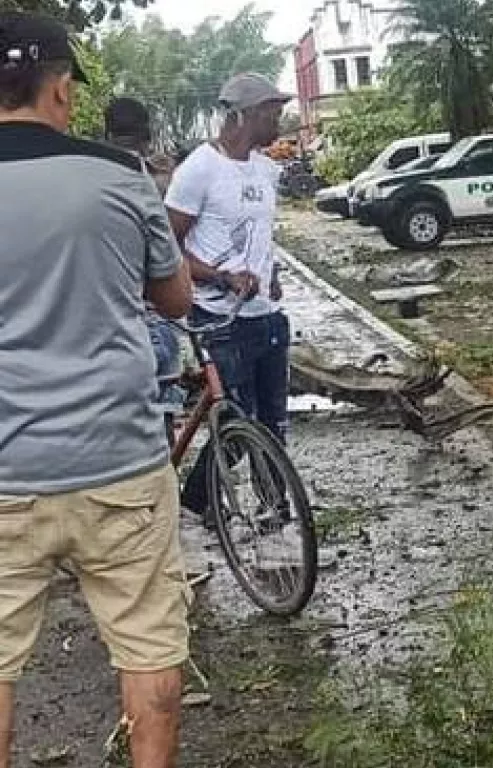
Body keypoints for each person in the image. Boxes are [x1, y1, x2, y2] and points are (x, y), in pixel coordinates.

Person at [0, 12, 193, 768]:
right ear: (59, 88)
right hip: (120, 465)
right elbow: (174, 299)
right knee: (149, 650)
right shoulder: (121, 175)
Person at [165, 73, 293, 520]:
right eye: (270, 112)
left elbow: (262, 235)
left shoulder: (266, 168)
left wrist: (269, 272)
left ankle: (275, 508)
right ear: (240, 115)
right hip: (219, 318)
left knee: (274, 422)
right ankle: (198, 501)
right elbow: (167, 248)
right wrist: (219, 276)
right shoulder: (198, 170)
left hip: (267, 314)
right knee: (237, 424)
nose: (278, 119)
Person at [104, 97, 186, 441]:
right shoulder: (158, 179)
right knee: (163, 429)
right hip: (157, 321)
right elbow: (175, 296)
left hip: (114, 331)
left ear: (107, 134)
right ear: (148, 136)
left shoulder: (97, 180)